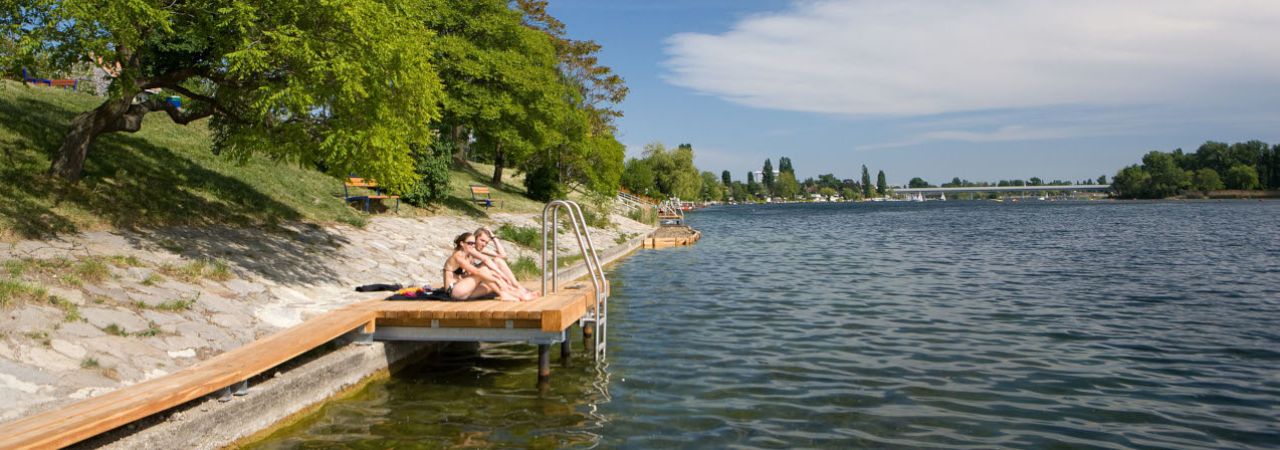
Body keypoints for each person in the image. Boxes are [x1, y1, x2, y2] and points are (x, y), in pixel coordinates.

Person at [442, 233, 533, 301]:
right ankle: (505, 294)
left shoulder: (468, 252)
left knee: (489, 287)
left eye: (473, 243)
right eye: (469, 243)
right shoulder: (457, 257)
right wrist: (496, 278)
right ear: (462, 243)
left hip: (465, 289)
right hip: (454, 291)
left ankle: (518, 294)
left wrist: (498, 275)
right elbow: (477, 272)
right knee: (485, 272)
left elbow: (487, 259)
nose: (473, 245)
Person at [473, 227, 539, 298]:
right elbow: (485, 261)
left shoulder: (480, 249)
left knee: (498, 260)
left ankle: (517, 286)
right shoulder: (470, 248)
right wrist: (500, 274)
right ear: (475, 238)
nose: (484, 244)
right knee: (489, 265)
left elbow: (503, 255)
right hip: (471, 280)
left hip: (479, 276)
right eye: (482, 240)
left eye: (486, 242)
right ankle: (517, 292)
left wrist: (494, 237)